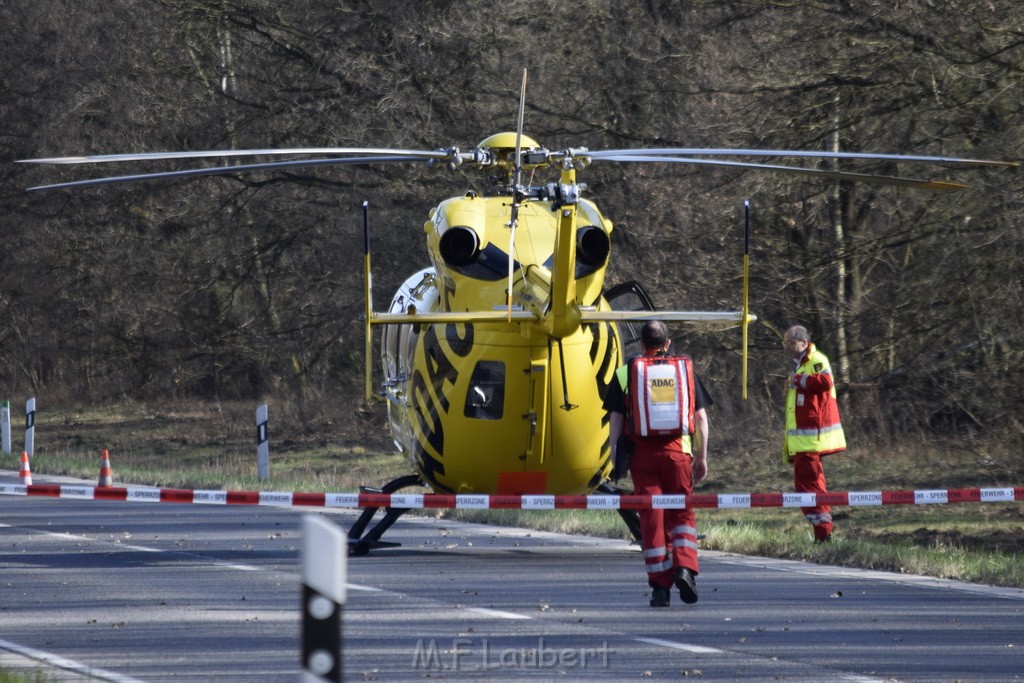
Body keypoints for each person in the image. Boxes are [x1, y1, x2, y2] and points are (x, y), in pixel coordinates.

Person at [603, 321, 711, 607]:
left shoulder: (626, 372)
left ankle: (660, 589)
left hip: (643, 458)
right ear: (667, 342)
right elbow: (700, 419)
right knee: (682, 514)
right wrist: (701, 456)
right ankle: (685, 569)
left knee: (652, 519)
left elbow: (616, 419)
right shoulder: (683, 370)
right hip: (678, 453)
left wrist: (615, 455)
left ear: (641, 345)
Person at [782, 325, 846, 542]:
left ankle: (823, 533)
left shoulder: (816, 359)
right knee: (806, 487)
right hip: (802, 441)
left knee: (811, 487)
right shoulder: (801, 364)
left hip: (810, 440)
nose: (787, 347)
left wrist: (798, 380)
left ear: (803, 342)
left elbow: (826, 381)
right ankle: (821, 531)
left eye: (791, 343)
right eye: (786, 343)